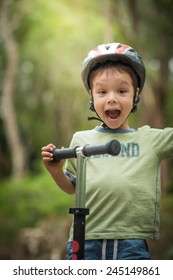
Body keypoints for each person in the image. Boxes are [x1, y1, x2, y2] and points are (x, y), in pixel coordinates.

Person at [41, 42, 173, 260]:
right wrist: (56, 171)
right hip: (85, 238)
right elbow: (72, 187)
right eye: (102, 91)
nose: (112, 98)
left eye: (122, 90)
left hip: (131, 241)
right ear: (92, 97)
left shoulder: (149, 139)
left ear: (136, 94)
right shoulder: (81, 140)